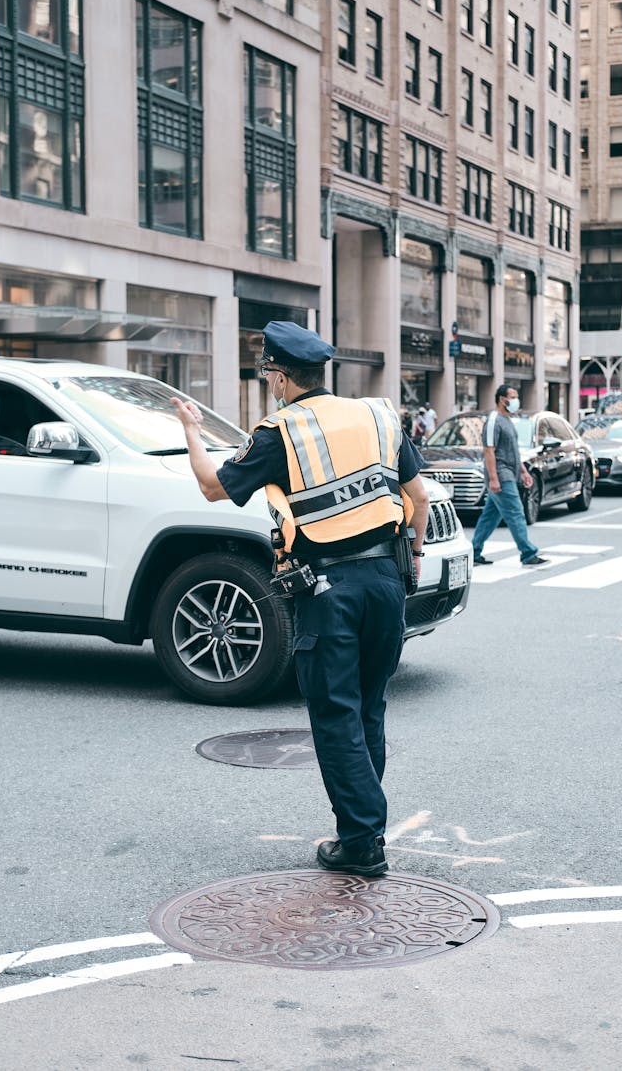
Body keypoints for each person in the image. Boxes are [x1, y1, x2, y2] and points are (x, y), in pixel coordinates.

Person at [172, 321, 430, 877]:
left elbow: (213, 486)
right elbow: (418, 497)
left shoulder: (278, 433)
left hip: (328, 590)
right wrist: (412, 555)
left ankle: (362, 841)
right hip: (386, 580)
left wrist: (191, 430)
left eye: (267, 373)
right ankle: (361, 827)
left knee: (335, 717)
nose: (268, 381)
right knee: (368, 708)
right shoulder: (377, 416)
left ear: (281, 376)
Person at [471, 384, 549, 568]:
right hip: (501, 474)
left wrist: (523, 471)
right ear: (502, 399)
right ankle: (528, 553)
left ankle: (473, 551)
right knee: (516, 513)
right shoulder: (493, 421)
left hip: (509, 473)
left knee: (490, 516)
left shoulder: (507, 420)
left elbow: (512, 451)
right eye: (512, 397)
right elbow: (489, 451)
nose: (515, 400)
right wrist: (494, 478)